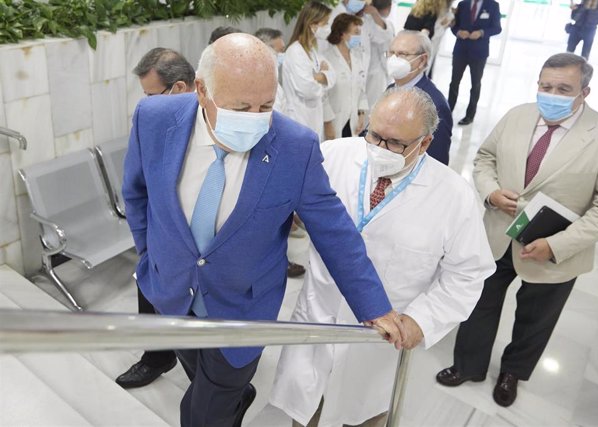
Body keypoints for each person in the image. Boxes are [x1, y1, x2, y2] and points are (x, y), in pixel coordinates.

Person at [122, 33, 405, 427]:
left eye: (266, 105)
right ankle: (238, 393)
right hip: (173, 293)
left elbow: (334, 230)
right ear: (202, 90)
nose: (256, 117)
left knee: (202, 413)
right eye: (241, 106)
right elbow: (136, 194)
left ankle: (228, 395)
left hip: (243, 308)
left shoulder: (294, 146)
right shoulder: (153, 120)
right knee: (202, 374)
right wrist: (150, 256)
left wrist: (375, 307)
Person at [270, 86, 495, 427]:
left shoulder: (453, 196)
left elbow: (467, 274)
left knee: (363, 414)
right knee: (306, 413)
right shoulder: (332, 155)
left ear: (425, 143)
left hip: (381, 340)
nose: (379, 149)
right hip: (318, 318)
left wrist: (422, 319)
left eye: (395, 144)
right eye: (373, 135)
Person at [436, 53, 598, 408]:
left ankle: (512, 372)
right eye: (546, 86)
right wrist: (490, 190)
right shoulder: (517, 116)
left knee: (536, 319)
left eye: (563, 88)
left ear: (584, 91)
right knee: (479, 303)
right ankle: (468, 365)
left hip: (554, 252)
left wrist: (557, 245)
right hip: (497, 234)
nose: (551, 94)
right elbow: (485, 159)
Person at [115, 47, 195, 389]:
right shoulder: (148, 119)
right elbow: (135, 186)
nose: (144, 103)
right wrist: (144, 244)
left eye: (150, 95)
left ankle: (212, 377)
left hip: (203, 241)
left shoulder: (222, 117)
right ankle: (158, 356)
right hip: (159, 235)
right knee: (150, 290)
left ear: (178, 89)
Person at [255, 27, 307, 278]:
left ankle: (278, 261)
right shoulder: (257, 86)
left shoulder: (275, 79)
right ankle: (275, 263)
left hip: (282, 155)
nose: (282, 54)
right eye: (279, 49)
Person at [387, 31, 452, 165]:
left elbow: (437, 161)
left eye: (403, 54)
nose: (393, 59)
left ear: (422, 60)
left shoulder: (435, 105)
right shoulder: (391, 89)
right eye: (391, 53)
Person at [282, 1, 336, 139]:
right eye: (325, 23)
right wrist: (323, 79)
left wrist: (318, 77)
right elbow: (307, 90)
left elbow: (333, 75)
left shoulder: (312, 50)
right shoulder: (295, 52)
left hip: (313, 118)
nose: (328, 28)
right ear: (312, 25)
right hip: (299, 119)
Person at [447, 0, 502, 125]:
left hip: (479, 53)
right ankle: (448, 110)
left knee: (475, 84)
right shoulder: (462, 4)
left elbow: (497, 28)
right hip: (460, 50)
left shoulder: (493, 5)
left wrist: (481, 33)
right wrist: (458, 32)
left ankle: (470, 115)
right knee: (454, 82)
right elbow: (454, 25)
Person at [327, 0, 394, 90]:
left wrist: (374, 13)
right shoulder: (332, 14)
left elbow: (384, 36)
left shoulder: (366, 17)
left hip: (363, 75)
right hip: (339, 71)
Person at [322, 13, 368, 139]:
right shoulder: (327, 58)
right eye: (355, 32)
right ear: (342, 34)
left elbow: (362, 89)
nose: (358, 36)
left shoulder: (357, 57)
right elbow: (323, 95)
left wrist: (361, 113)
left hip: (353, 121)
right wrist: (327, 123)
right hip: (333, 120)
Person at [404, 0, 455, 78]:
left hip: (407, 45)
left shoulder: (416, 9)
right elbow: (425, 33)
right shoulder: (431, 13)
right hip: (420, 48)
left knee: (408, 73)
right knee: (417, 75)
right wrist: (443, 25)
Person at [365, 0, 394, 109]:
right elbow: (386, 44)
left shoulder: (384, 23)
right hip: (374, 72)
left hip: (375, 71)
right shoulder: (369, 21)